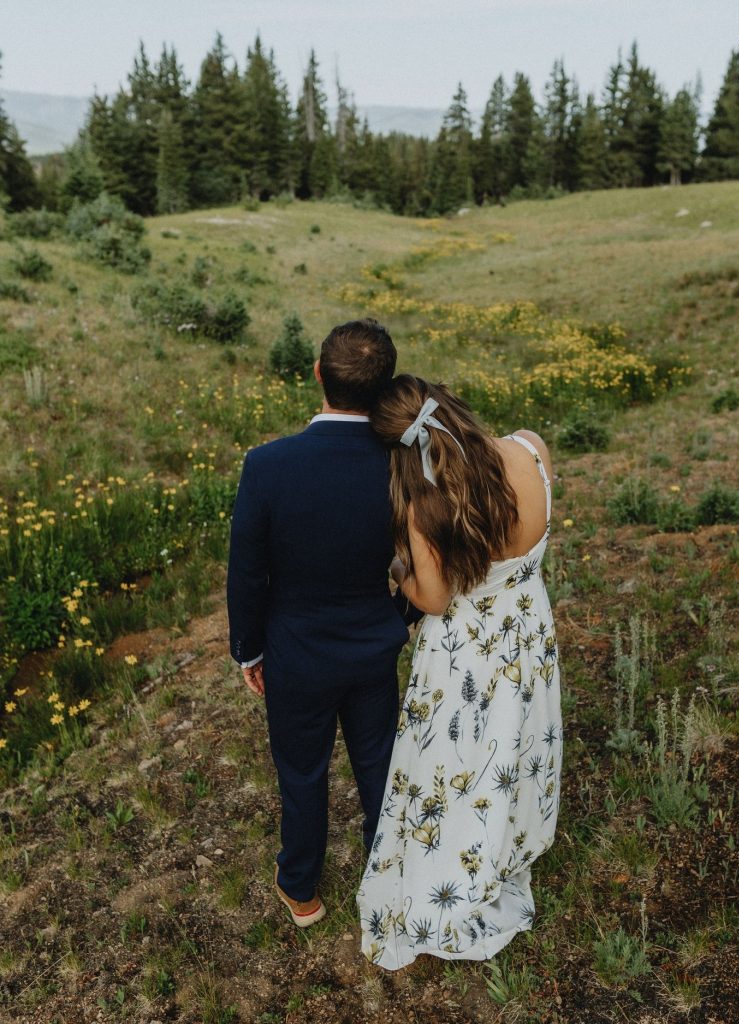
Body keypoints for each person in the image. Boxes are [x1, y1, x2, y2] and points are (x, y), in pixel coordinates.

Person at [357, 375, 563, 970]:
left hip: (466, 652)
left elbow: (437, 598)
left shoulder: (429, 506)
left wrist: (399, 570)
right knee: (517, 739)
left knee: (459, 760)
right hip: (527, 630)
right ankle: (513, 834)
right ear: (450, 403)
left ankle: (464, 853)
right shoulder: (530, 450)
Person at [227, 319, 410, 928]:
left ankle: (301, 889)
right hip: (372, 649)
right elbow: (421, 560)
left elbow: (247, 573)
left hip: (295, 653)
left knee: (301, 772)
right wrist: (396, 615)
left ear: (317, 374)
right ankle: (390, 875)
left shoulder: (268, 465)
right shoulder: (399, 465)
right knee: (379, 765)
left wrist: (249, 652)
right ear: (381, 385)